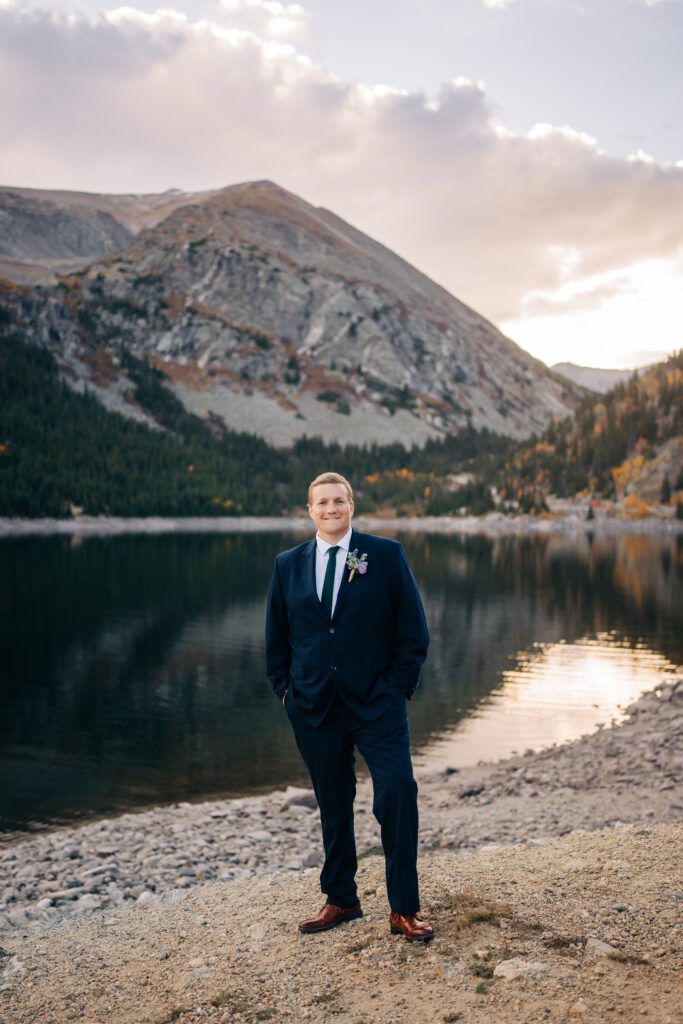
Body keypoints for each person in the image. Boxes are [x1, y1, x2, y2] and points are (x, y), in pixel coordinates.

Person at [265, 471, 434, 941]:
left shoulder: (384, 555)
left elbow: (413, 631)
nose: (330, 509)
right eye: (322, 502)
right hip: (314, 706)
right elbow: (277, 639)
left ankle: (404, 909)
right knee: (333, 803)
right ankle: (341, 898)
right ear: (310, 509)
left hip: (377, 703)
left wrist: (396, 686)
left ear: (351, 506)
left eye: (338, 500)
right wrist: (286, 691)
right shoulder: (287, 564)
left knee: (398, 791)